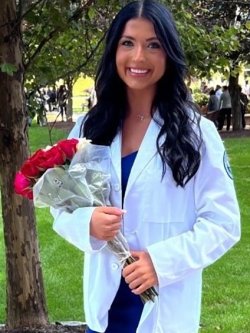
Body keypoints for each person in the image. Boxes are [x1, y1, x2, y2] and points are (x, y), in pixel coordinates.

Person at [51, 1, 241, 333]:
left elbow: (223, 223)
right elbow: (62, 207)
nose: (138, 57)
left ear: (168, 53)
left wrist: (160, 262)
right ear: (114, 50)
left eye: (153, 45)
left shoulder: (197, 134)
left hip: (165, 311)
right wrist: (88, 224)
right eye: (128, 43)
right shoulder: (89, 129)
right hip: (105, 311)